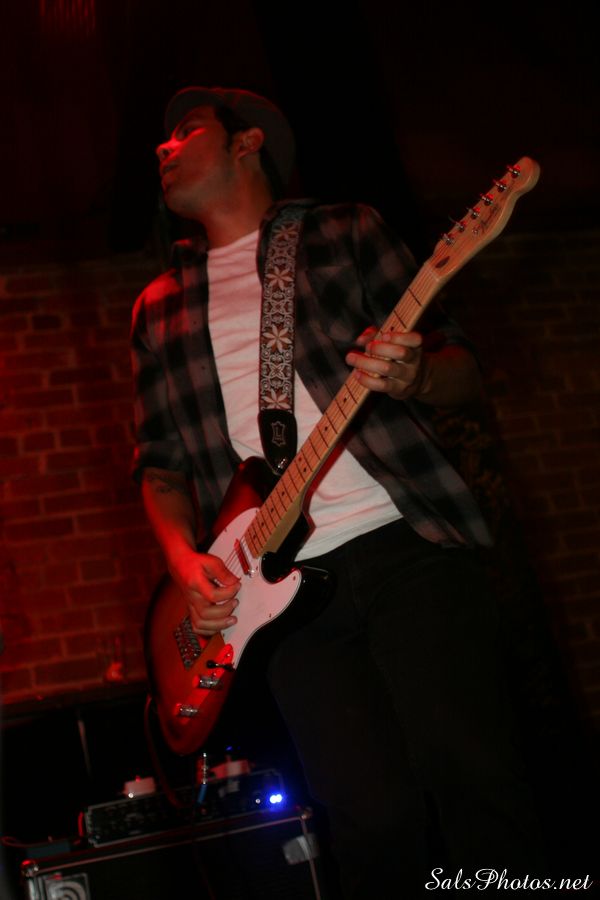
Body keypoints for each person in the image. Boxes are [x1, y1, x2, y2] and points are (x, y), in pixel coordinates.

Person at [131, 86, 546, 898]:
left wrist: (417, 374)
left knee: (476, 779)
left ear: (249, 141)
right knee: (368, 819)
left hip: (406, 544)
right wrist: (185, 562)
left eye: (186, 131)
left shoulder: (345, 230)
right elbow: (161, 468)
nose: (162, 147)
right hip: (276, 602)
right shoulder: (158, 307)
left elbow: (462, 370)